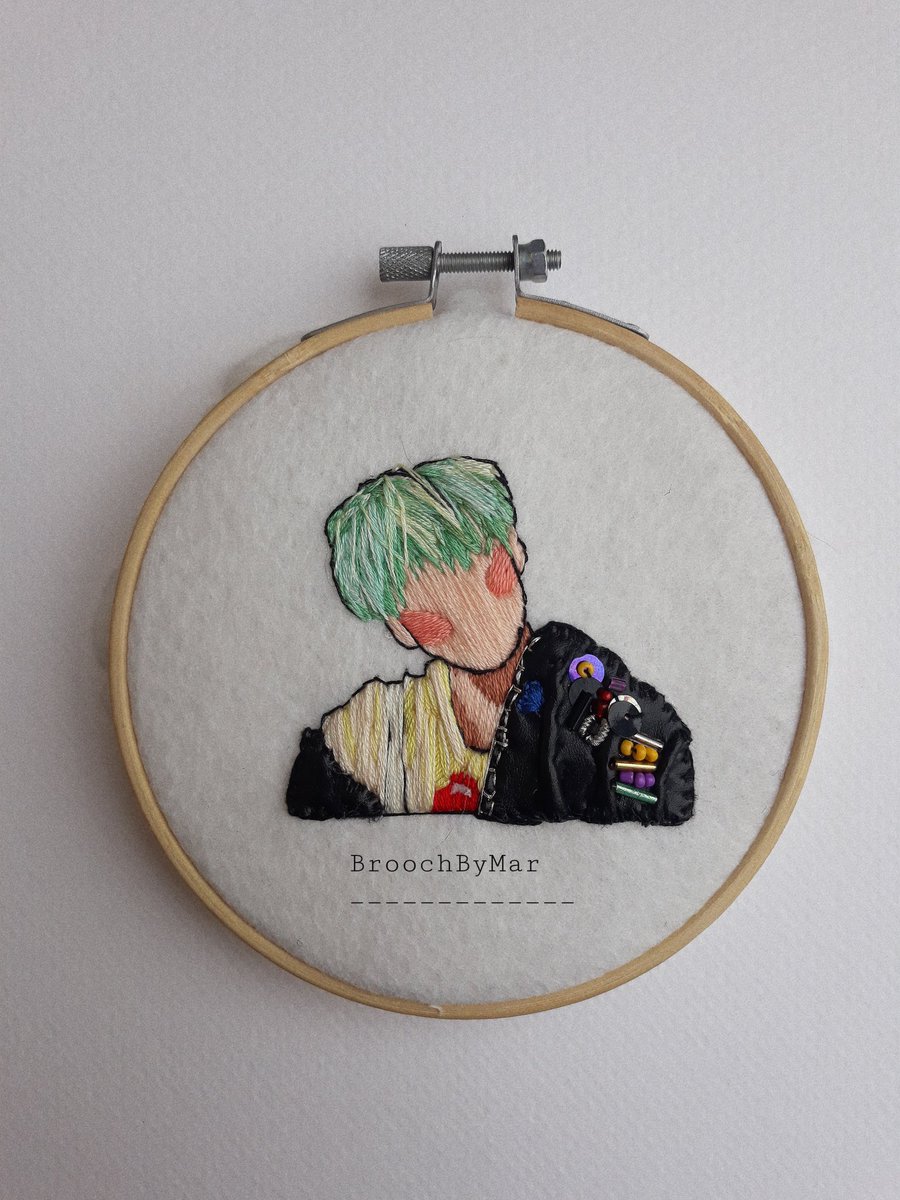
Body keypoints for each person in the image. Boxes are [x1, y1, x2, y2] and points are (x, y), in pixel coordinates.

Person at [286, 456, 694, 825]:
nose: (472, 619)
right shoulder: (374, 729)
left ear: (515, 548)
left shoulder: (588, 680)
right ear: (401, 630)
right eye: (433, 621)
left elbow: (669, 781)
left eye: (492, 576)